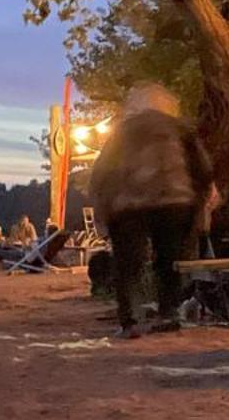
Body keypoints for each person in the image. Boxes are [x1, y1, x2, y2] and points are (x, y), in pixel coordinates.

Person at [87, 83, 215, 337]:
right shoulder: (178, 128)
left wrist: (102, 209)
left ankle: (130, 320)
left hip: (129, 203)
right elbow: (201, 166)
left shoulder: (122, 132)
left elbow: (101, 172)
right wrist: (201, 202)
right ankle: (169, 312)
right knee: (169, 260)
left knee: (129, 263)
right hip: (175, 199)